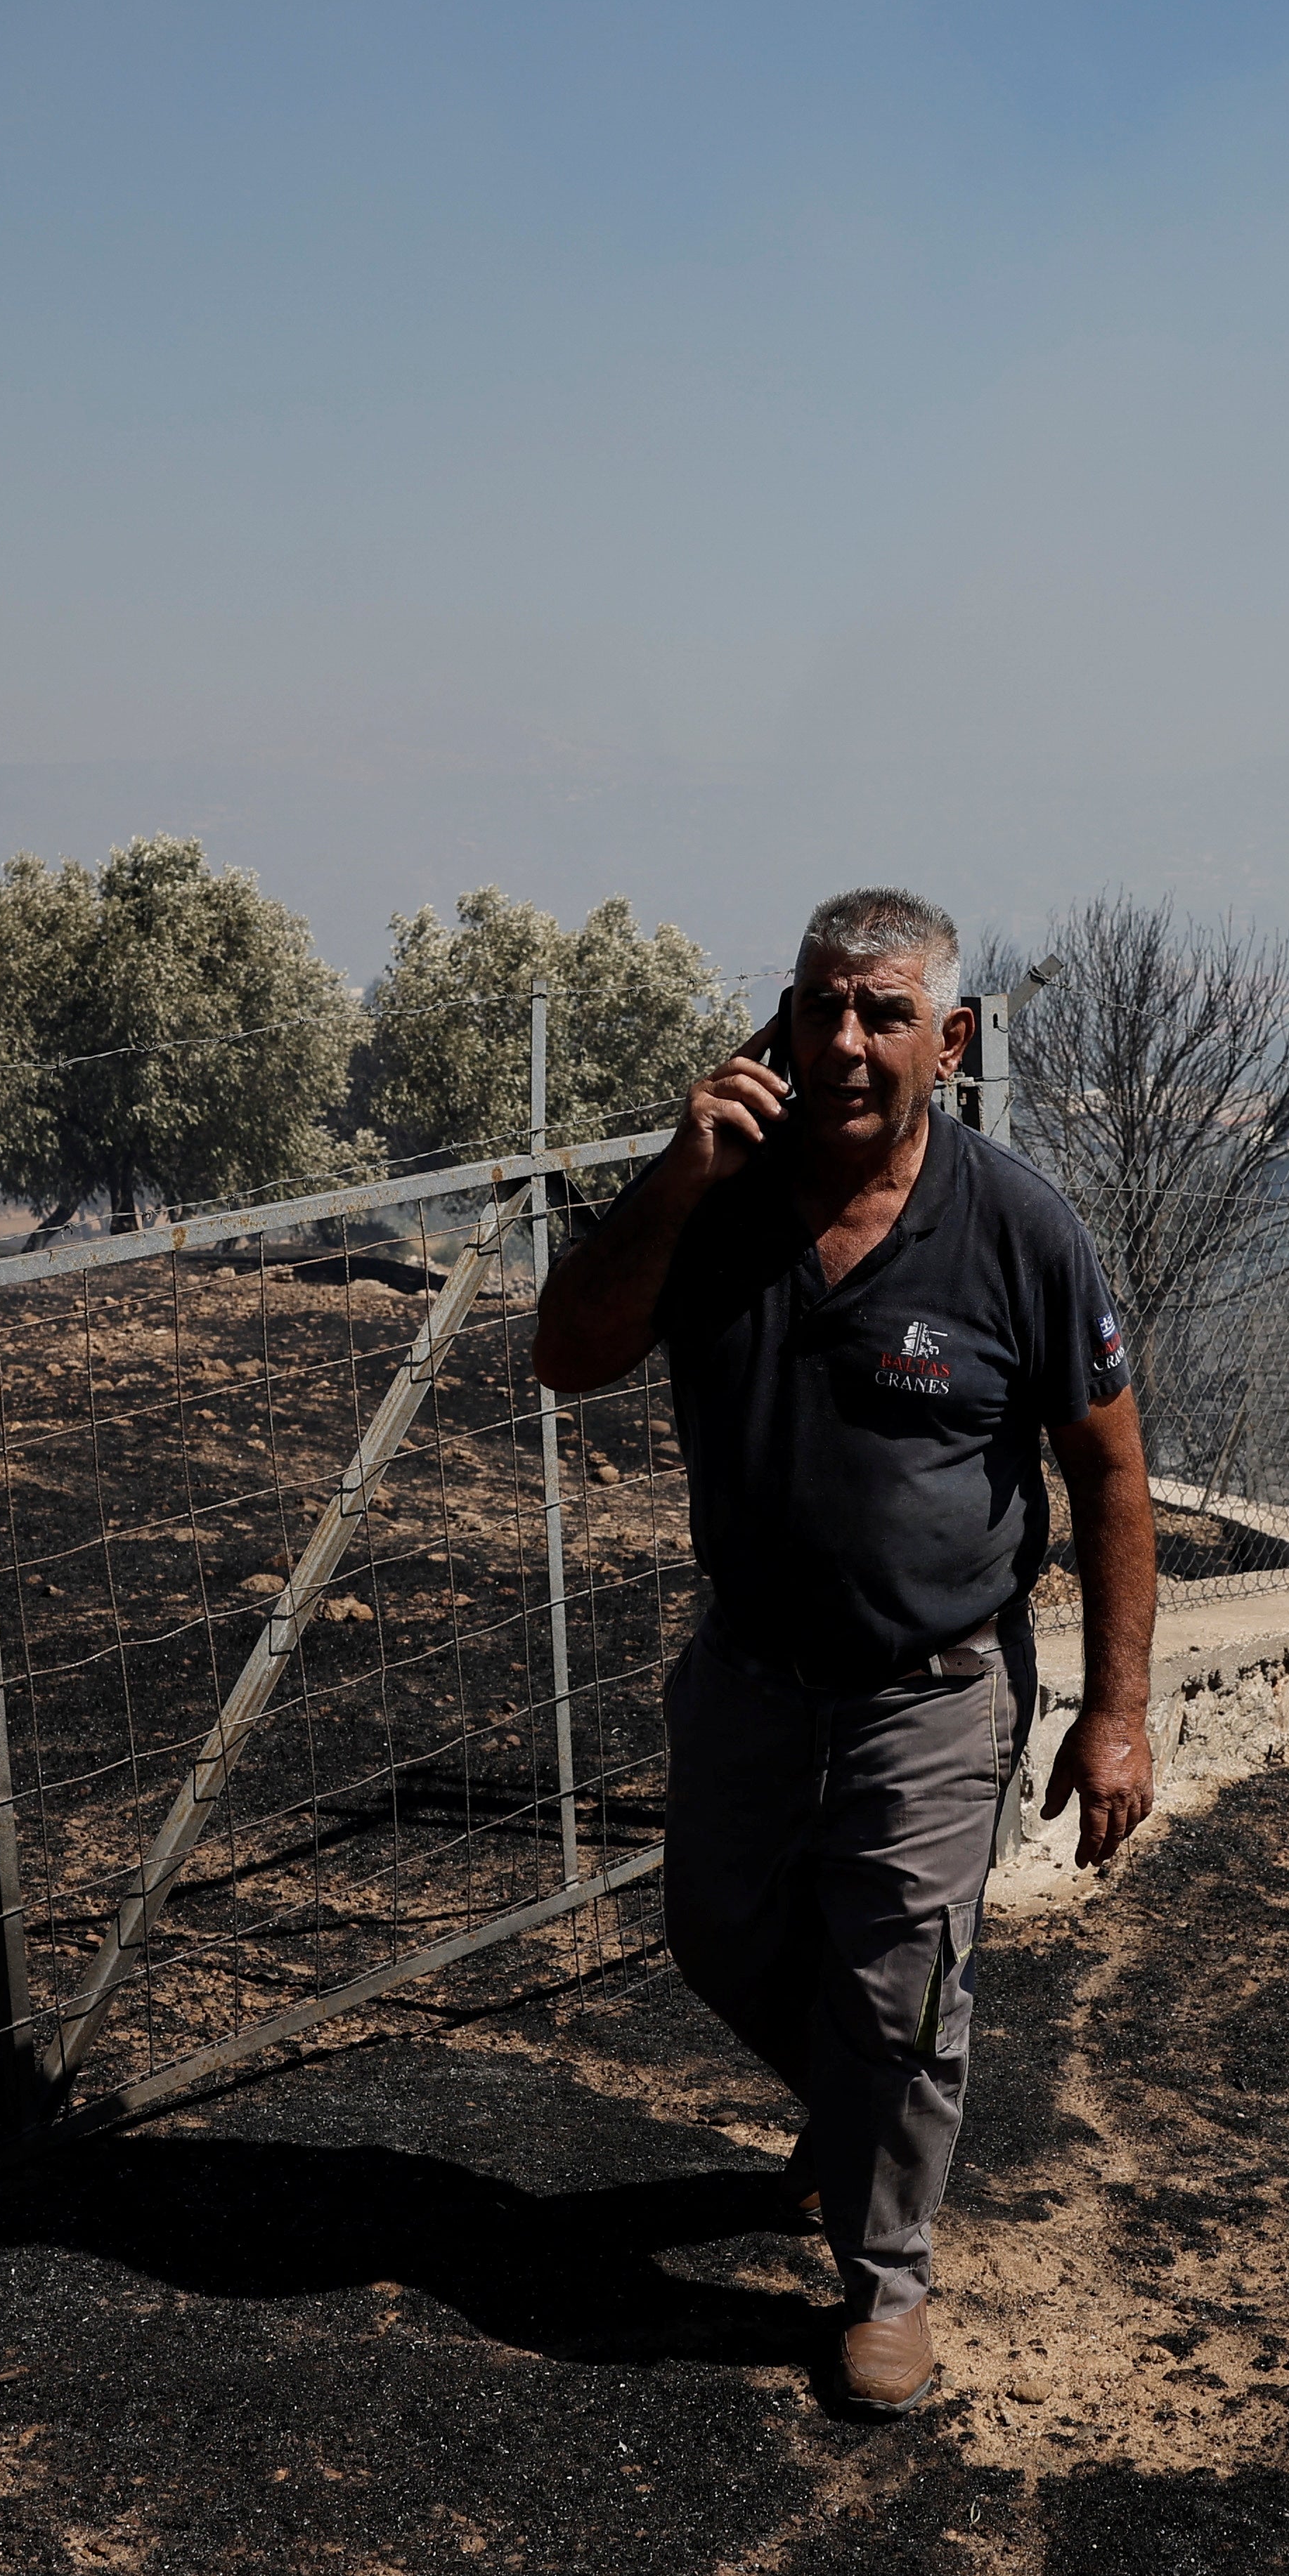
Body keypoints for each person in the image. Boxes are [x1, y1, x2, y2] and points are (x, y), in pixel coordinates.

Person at [533, 885, 1157, 2414]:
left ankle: (886, 2281)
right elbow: (566, 1352)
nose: (849, 1042)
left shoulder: (1018, 1226)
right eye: (823, 1007)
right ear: (783, 1023)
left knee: (900, 1991)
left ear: (947, 1039)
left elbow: (1112, 1471)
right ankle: (865, 2113)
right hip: (750, 1669)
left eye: (884, 1014)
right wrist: (676, 1180)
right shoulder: (718, 1198)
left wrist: (1117, 1711)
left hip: (935, 1689)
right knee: (716, 1932)